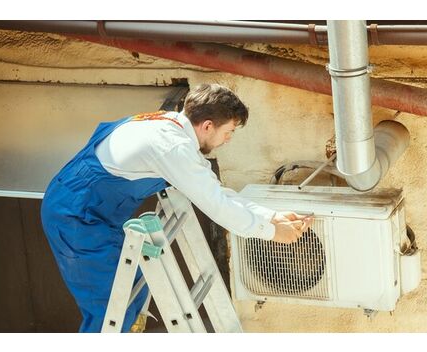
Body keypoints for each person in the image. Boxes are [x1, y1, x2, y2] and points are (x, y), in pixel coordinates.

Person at [41, 83, 312, 333]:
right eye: (228, 132)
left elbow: (214, 191)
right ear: (207, 126)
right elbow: (217, 207)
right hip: (76, 218)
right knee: (111, 315)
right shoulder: (173, 148)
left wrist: (272, 216)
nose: (227, 140)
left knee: (129, 299)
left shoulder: (168, 123)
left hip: (95, 213)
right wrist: (272, 233)